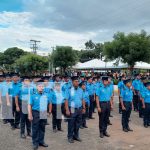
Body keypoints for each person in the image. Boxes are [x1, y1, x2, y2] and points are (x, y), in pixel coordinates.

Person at [28, 80, 52, 150]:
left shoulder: (46, 95)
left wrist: (49, 111)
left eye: (42, 86)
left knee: (42, 128)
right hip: (35, 112)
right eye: (40, 86)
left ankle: (41, 141)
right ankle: (35, 143)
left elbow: (49, 103)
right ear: (36, 87)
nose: (41, 88)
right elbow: (29, 105)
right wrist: (30, 114)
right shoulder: (33, 95)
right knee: (35, 128)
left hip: (43, 113)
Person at [65, 76, 85, 143]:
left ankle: (76, 136)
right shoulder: (69, 90)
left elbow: (82, 99)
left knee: (78, 123)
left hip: (79, 108)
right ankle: (70, 137)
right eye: (76, 81)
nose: (77, 83)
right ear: (72, 82)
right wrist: (67, 109)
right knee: (71, 123)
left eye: (78, 81)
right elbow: (66, 100)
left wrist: (84, 107)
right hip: (72, 109)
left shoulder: (80, 90)